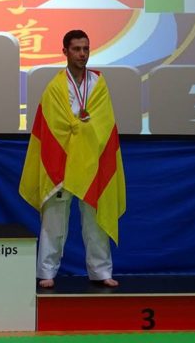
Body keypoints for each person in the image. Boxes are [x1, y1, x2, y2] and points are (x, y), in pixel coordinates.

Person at [19, 30, 126, 288]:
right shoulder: (55, 87)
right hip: (62, 161)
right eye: (77, 49)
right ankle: (46, 271)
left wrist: (82, 128)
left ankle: (101, 271)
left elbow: (104, 122)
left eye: (86, 49)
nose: (82, 54)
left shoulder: (98, 84)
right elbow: (52, 126)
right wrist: (81, 128)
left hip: (91, 160)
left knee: (95, 220)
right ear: (65, 51)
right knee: (54, 219)